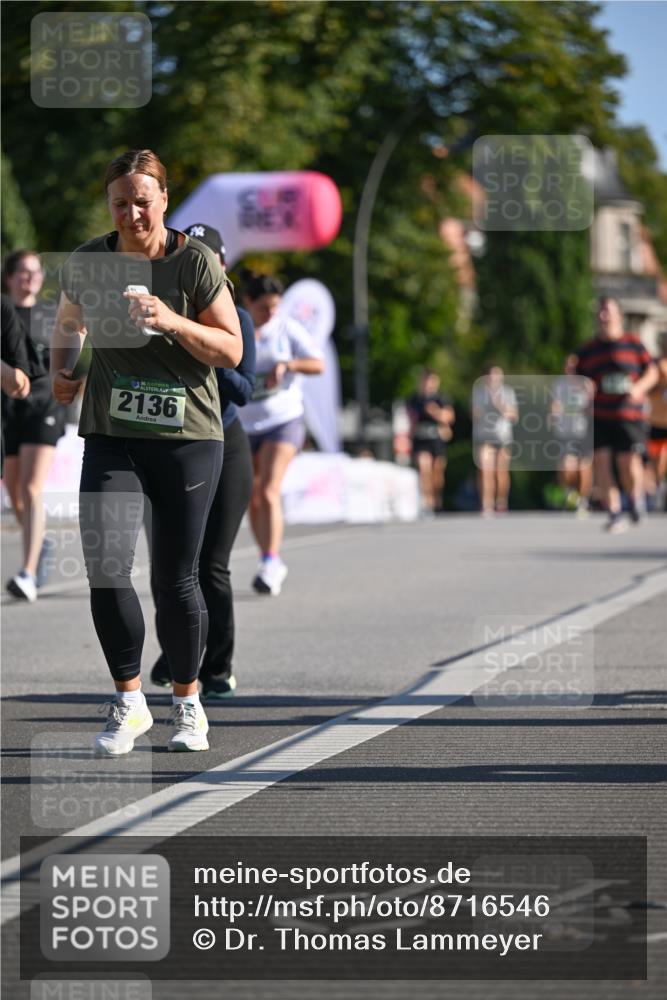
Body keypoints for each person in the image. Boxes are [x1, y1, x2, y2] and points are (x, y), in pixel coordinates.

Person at [50, 149, 242, 755]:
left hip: (188, 438)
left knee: (174, 579)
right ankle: (129, 700)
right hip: (111, 433)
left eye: (142, 200)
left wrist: (171, 320)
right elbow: (68, 325)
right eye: (119, 203)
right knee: (107, 571)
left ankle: (188, 703)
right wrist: (65, 371)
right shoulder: (87, 261)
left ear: (164, 198)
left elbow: (231, 351)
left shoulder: (194, 262)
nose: (131, 212)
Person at [150, 223, 256, 698]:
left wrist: (205, 345)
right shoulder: (162, 313)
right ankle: (179, 652)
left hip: (226, 442)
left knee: (212, 563)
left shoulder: (240, 320)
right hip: (174, 443)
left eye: (208, 261)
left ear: (221, 267)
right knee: (171, 563)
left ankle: (218, 665)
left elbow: (244, 388)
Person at [238, 272, 324, 595]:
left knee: (270, 489)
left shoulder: (287, 328)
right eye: (263, 308)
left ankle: (272, 562)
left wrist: (289, 366)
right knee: (252, 494)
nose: (270, 313)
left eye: (275, 306)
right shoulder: (236, 325)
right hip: (245, 425)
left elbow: (318, 363)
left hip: (283, 420)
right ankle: (267, 557)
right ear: (247, 303)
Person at [2, 250, 67, 599]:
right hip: (8, 410)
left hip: (44, 403)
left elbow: (71, 354)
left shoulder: (50, 313)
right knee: (14, 493)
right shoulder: (2, 312)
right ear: (9, 278)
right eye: (22, 273)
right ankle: (40, 541)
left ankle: (27, 573)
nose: (30, 278)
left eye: (35, 272)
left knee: (30, 488)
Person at [575, 297, 658, 533]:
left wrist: (639, 388)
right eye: (601, 312)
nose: (604, 316)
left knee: (627, 463)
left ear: (619, 316)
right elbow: (578, 379)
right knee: (601, 462)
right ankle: (614, 511)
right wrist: (583, 388)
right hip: (600, 414)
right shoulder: (588, 350)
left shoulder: (633, 344)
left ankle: (634, 498)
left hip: (628, 415)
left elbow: (651, 372)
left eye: (608, 311)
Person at [406, 368, 455, 515]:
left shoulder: (441, 398)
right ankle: (427, 502)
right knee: (424, 468)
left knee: (437, 472)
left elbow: (449, 417)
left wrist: (435, 412)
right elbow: (410, 420)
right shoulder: (414, 400)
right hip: (421, 440)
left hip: (437, 440)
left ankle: (436, 499)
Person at [549, 354, 594, 514]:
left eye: (574, 366)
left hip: (583, 431)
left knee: (583, 467)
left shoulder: (587, 383)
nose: (570, 369)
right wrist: (553, 415)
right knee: (565, 467)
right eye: (568, 366)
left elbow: (593, 406)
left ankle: (583, 500)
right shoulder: (559, 384)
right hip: (564, 432)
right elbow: (554, 405)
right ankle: (569, 493)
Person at [472, 364, 518, 516]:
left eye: (498, 376)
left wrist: (499, 405)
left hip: (503, 437)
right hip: (484, 437)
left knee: (501, 472)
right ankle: (486, 504)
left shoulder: (508, 392)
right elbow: (474, 414)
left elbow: (514, 416)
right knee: (485, 470)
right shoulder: (479, 393)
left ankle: (501, 502)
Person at [647, 331, 667, 512]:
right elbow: (648, 387)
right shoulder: (655, 365)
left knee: (663, 458)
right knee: (657, 460)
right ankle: (657, 487)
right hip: (657, 420)